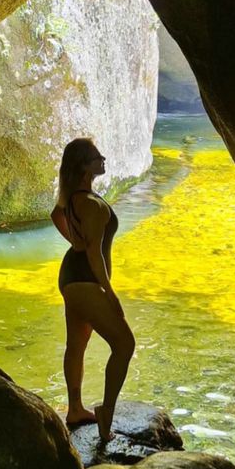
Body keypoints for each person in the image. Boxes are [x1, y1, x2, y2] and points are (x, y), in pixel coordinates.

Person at [50, 137, 134, 443]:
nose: (104, 160)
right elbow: (95, 254)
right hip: (86, 280)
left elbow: (56, 216)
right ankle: (105, 414)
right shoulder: (91, 203)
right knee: (125, 345)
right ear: (85, 166)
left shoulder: (74, 198)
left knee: (77, 343)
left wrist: (74, 241)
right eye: (98, 157)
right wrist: (110, 295)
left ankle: (75, 409)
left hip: (70, 277)